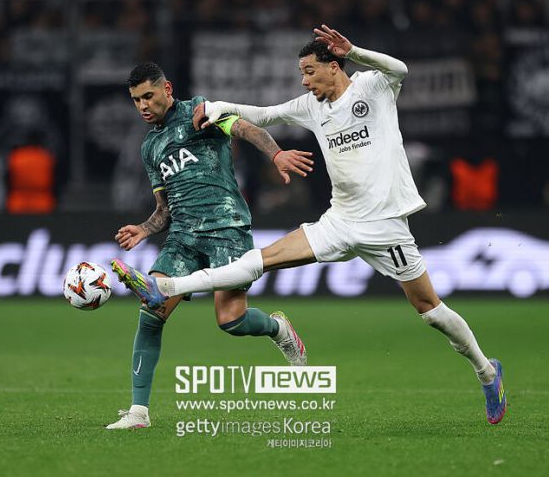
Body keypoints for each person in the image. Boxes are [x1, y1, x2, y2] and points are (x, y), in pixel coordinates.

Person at [113, 26, 507, 425]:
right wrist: (218, 106)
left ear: (334, 67)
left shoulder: (373, 88)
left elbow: (399, 68)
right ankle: (167, 289)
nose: (304, 80)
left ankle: (486, 371)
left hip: (386, 226)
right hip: (338, 222)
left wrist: (355, 50)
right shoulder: (311, 106)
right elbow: (265, 114)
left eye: (309, 71)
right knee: (257, 261)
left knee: (430, 310)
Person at [105, 62, 314, 430]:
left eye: (148, 96)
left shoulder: (201, 112)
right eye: (136, 100)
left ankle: (277, 328)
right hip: (183, 235)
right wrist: (143, 229)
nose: (143, 105)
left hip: (226, 227)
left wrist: (276, 154)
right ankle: (138, 413)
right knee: (151, 311)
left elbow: (247, 128)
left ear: (167, 89)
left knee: (231, 321)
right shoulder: (150, 146)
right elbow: (164, 210)